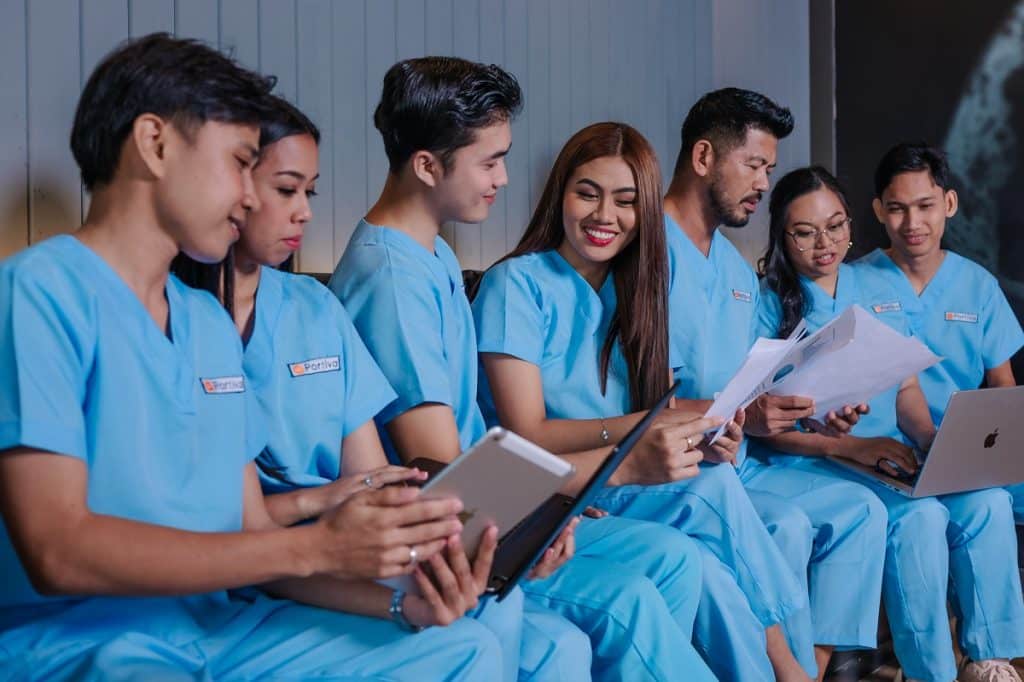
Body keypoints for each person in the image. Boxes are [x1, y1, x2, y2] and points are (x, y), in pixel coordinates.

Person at [0, 33, 502, 680]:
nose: (249, 194)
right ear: (154, 144)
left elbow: (252, 538)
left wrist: (407, 605)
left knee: (460, 648)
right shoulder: (38, 293)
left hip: (220, 627)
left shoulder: (204, 323)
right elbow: (57, 550)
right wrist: (315, 544)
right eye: (240, 162)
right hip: (85, 641)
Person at [173, 94, 592, 681]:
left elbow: (376, 484)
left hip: (343, 547)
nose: (304, 214)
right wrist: (322, 510)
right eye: (286, 190)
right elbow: (241, 525)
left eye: (309, 193)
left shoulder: (314, 308)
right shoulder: (185, 322)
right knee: (481, 638)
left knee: (525, 621)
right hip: (270, 567)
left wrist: (509, 539)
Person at [330, 57, 716, 681]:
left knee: (672, 558)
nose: (505, 179)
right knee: (628, 602)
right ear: (428, 165)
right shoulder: (392, 282)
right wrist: (608, 471)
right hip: (452, 538)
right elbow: (445, 482)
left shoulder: (428, 258)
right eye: (490, 161)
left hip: (492, 512)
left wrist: (553, 500)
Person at [472, 121, 730, 680]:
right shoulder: (515, 285)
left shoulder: (634, 291)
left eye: (625, 201)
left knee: (689, 548)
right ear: (559, 193)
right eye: (587, 193)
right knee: (694, 527)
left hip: (596, 486)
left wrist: (700, 426)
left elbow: (652, 408)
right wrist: (643, 429)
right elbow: (526, 436)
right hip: (532, 491)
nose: (603, 216)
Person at [661, 88, 889, 680]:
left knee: (861, 508)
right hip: (681, 464)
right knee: (786, 524)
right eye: (755, 165)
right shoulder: (644, 256)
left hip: (735, 459)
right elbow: (637, 397)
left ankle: (818, 669)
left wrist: (807, 415)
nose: (764, 183)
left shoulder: (733, 270)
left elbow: (749, 387)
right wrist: (740, 420)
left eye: (770, 168)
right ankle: (791, 670)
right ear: (704, 157)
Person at [855, 143, 1024, 682]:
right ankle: (931, 671)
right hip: (878, 456)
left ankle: (988, 658)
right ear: (879, 209)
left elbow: (1003, 390)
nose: (913, 222)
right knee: (921, 522)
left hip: (955, 455)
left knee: (992, 504)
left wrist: (984, 450)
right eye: (898, 208)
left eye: (925, 206)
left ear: (948, 203)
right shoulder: (854, 282)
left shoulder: (977, 286)